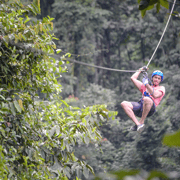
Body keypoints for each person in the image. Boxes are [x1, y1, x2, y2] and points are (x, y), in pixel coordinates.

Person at [121, 67, 165, 133]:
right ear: (152, 78)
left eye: (159, 78)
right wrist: (140, 70)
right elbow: (133, 78)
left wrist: (147, 84)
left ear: (160, 80)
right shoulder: (144, 86)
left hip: (150, 109)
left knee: (147, 99)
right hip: (141, 106)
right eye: (155, 77)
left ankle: (141, 121)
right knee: (124, 103)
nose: (156, 79)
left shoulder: (161, 88)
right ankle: (138, 124)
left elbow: (155, 95)